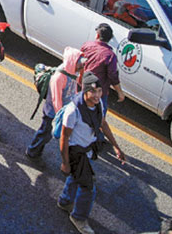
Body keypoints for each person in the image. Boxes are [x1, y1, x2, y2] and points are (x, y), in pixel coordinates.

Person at [58, 73, 127, 234]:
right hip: (76, 152)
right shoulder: (73, 110)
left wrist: (117, 147)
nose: (97, 95)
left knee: (76, 177)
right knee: (89, 188)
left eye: (99, 91)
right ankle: (78, 217)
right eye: (93, 91)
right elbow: (64, 138)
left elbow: (103, 124)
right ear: (85, 91)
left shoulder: (98, 105)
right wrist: (65, 162)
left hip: (88, 148)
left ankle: (65, 200)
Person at [26, 47, 85, 159]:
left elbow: (74, 90)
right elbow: (56, 99)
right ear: (73, 62)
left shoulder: (72, 72)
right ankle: (32, 151)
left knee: (46, 134)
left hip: (63, 111)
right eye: (80, 64)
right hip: (52, 113)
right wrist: (59, 117)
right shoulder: (59, 77)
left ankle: (37, 150)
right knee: (44, 133)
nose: (81, 67)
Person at [80, 23, 125, 112]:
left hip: (82, 86)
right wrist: (120, 92)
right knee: (98, 118)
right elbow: (113, 76)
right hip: (98, 93)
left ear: (97, 35)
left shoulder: (87, 45)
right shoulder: (110, 56)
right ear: (110, 39)